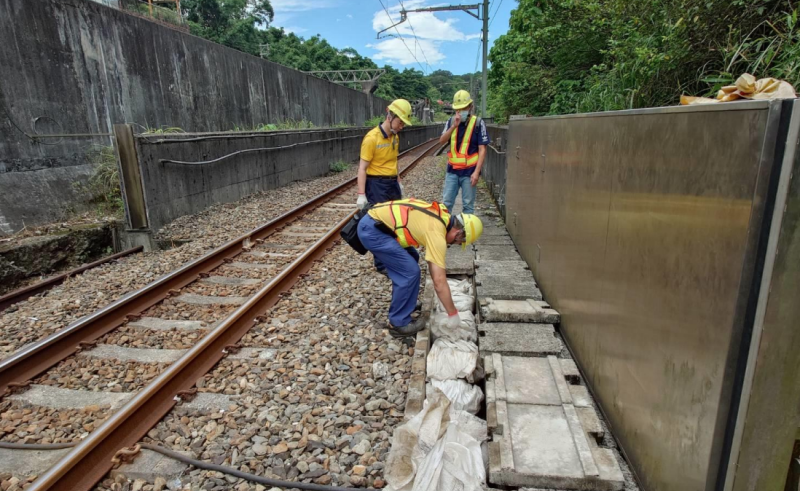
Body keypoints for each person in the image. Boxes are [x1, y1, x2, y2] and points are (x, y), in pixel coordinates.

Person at [356, 198, 484, 338]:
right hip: (374, 231)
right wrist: (452, 313)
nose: (454, 244)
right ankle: (398, 324)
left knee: (412, 259)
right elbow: (439, 282)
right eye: (458, 242)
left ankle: (407, 302)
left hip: (378, 224)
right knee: (410, 272)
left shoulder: (442, 215)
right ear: (459, 233)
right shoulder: (436, 233)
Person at [356, 99, 414, 275]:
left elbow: (394, 161)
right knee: (379, 224)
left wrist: (398, 181)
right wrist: (361, 194)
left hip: (391, 184)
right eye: (400, 121)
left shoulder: (395, 137)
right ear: (389, 116)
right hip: (376, 185)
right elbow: (362, 168)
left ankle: (394, 256)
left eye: (404, 123)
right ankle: (381, 264)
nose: (402, 126)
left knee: (396, 221)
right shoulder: (371, 138)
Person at [438, 90, 491, 215]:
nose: (461, 111)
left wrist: (477, 172)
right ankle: (446, 232)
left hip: (469, 172)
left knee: (468, 206)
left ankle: (466, 233)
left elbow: (482, 149)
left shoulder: (478, 123)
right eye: (458, 109)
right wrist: (453, 126)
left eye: (464, 108)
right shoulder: (451, 122)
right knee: (446, 204)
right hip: (452, 171)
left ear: (470, 107)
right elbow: (441, 141)